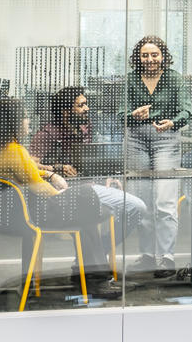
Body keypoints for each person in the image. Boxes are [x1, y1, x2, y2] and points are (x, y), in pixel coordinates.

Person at [0, 98, 121, 299]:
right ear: (13, 122)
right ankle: (93, 280)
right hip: (27, 215)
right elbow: (39, 188)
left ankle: (94, 279)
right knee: (88, 198)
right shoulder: (15, 151)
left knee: (86, 215)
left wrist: (51, 175)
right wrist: (62, 195)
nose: (28, 121)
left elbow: (30, 172)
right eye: (25, 117)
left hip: (8, 214)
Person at [30, 86, 154, 268]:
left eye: (86, 104)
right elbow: (30, 165)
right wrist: (56, 169)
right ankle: (93, 266)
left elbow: (91, 158)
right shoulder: (47, 134)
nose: (87, 109)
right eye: (81, 105)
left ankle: (95, 253)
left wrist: (109, 175)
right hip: (63, 194)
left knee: (135, 209)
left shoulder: (85, 129)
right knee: (111, 211)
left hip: (88, 187)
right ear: (66, 111)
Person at [121, 35, 192, 278]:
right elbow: (121, 113)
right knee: (142, 202)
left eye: (154, 54)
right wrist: (134, 114)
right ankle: (148, 256)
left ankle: (165, 258)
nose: (150, 59)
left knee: (164, 200)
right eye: (145, 55)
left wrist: (173, 122)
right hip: (135, 140)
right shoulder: (131, 79)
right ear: (138, 57)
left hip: (166, 137)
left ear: (163, 56)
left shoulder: (174, 78)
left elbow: (187, 110)